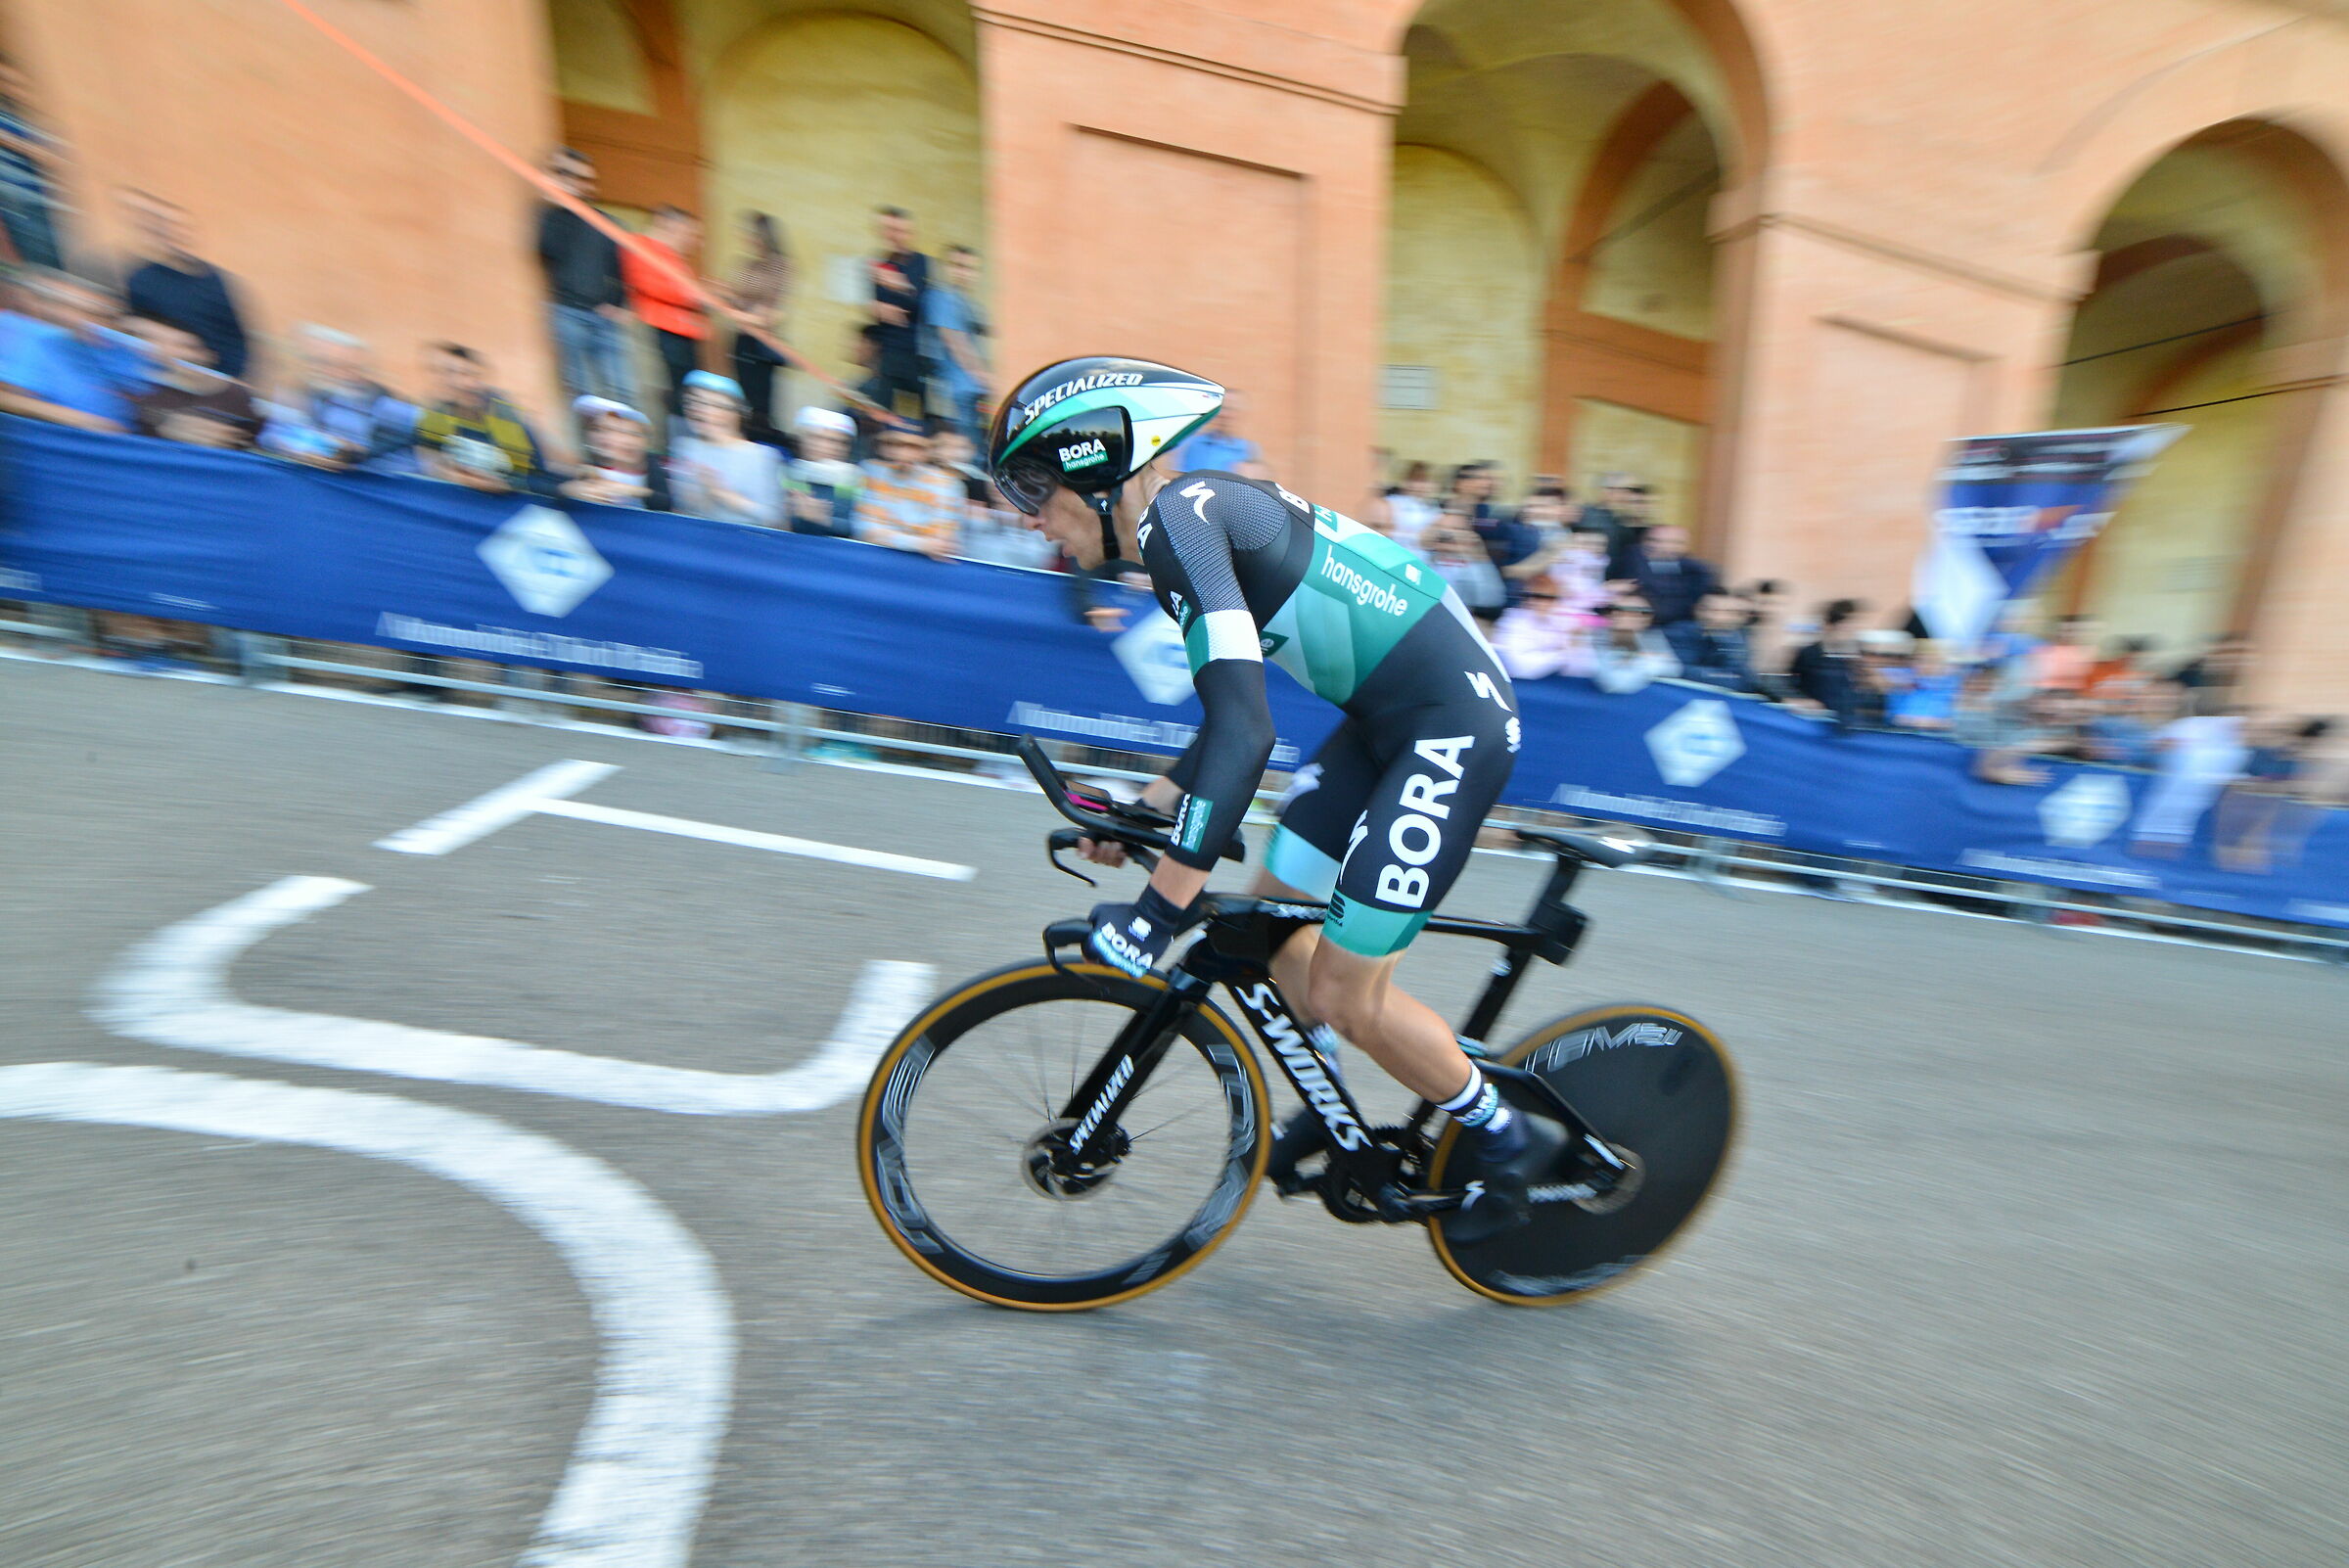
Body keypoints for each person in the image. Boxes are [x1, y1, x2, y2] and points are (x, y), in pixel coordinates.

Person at [990, 355, 1557, 1242]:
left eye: (1040, 496)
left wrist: (1153, 914)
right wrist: (1148, 805)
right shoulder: (1188, 520)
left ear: (1097, 479)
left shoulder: (1183, 525)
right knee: (1274, 921)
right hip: (1383, 724)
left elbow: (1247, 737)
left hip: (1452, 728)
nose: (1038, 526)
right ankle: (1327, 1106)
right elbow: (1232, 712)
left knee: (1343, 991)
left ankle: (1505, 1136)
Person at [536, 148, 635, 409]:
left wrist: (619, 304)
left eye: (584, 178)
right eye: (568, 175)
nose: (578, 183)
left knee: (622, 391)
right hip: (566, 314)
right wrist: (558, 203)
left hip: (604, 318)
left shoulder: (607, 222)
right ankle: (588, 450)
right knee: (581, 394)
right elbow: (547, 249)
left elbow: (624, 268)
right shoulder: (550, 218)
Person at [120, 190, 249, 380]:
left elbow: (236, 336)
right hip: (169, 377)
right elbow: (133, 329)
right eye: (168, 229)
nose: (177, 235)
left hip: (220, 379)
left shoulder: (218, 280)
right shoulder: (141, 280)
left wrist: (231, 380)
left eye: (182, 228)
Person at [256, 324, 417, 474]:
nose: (323, 370)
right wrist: (297, 452)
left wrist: (358, 454)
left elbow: (426, 432)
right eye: (315, 362)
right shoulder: (297, 396)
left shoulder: (386, 403)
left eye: (343, 366)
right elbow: (273, 435)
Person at [0, 269, 147, 432]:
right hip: (67, 439)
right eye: (86, 311)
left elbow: (141, 384)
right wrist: (80, 420)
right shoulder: (24, 335)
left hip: (123, 436)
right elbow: (9, 397)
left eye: (105, 315)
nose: (99, 321)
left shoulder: (105, 345)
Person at [413, 343, 556, 496]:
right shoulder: (435, 414)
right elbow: (430, 464)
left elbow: (533, 475)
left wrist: (499, 484)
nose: (448, 381)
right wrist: (459, 477)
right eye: (439, 373)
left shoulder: (503, 414)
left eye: (463, 374)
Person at [622, 206, 708, 417]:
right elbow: (647, 284)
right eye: (689, 233)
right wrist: (694, 296)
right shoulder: (640, 245)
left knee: (685, 395)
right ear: (668, 224)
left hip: (682, 334)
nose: (693, 241)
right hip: (661, 330)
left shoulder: (672, 256)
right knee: (670, 395)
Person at [125, 315, 258, 445]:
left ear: (209, 355)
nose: (166, 351)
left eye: (184, 346)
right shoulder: (131, 385)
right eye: (147, 339)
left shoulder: (237, 397)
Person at [669, 371, 781, 526]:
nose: (695, 410)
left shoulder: (761, 456)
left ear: (732, 413)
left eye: (707, 404)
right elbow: (681, 508)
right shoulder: (685, 448)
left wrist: (721, 494)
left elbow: (774, 518)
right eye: (691, 402)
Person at [719, 211, 792, 439]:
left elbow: (771, 308)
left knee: (761, 403)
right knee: (742, 397)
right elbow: (739, 296)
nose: (747, 238)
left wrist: (739, 308)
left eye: (751, 233)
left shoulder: (779, 265)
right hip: (742, 338)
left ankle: (761, 443)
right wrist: (725, 294)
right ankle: (745, 437)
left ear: (763, 236)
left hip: (762, 341)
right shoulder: (749, 264)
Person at [855, 421, 961, 559]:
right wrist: (919, 543)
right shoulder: (871, 472)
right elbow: (865, 530)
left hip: (922, 566)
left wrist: (892, 537)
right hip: (874, 557)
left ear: (928, 450)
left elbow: (941, 544)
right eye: (895, 444)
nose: (903, 453)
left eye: (914, 447)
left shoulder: (948, 485)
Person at [0, 58, 66, 269]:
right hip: (18, 203)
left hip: (44, 202)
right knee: (40, 264)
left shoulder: (28, 118)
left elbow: (53, 157)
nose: (11, 87)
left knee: (53, 261)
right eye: (5, 81)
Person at [868, 206, 930, 422]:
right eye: (887, 229)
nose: (892, 235)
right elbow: (878, 311)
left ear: (908, 231)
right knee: (883, 415)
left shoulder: (921, 262)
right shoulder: (879, 264)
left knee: (926, 414)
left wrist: (897, 285)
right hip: (889, 353)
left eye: (897, 229)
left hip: (918, 354)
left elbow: (921, 305)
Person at [922, 244, 990, 435]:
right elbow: (953, 339)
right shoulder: (941, 297)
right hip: (954, 388)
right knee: (964, 442)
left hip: (971, 388)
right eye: (956, 265)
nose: (962, 273)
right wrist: (982, 375)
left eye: (968, 268)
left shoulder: (968, 303)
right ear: (945, 267)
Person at [560, 396, 670, 510]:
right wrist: (567, 490)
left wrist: (625, 489)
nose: (602, 437)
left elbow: (665, 503)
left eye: (612, 429)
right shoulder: (586, 469)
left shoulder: (650, 465)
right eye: (595, 429)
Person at [782, 405, 861, 536]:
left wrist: (822, 519)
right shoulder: (789, 472)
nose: (823, 446)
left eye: (832, 441)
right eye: (815, 437)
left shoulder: (853, 479)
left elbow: (856, 526)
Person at [1666, 589, 1759, 692]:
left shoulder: (1737, 637)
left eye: (1729, 612)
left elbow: (1742, 680)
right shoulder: (1679, 633)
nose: (1720, 618)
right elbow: (1679, 670)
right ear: (1698, 611)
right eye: (1714, 610)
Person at [1628, 524, 1718, 627]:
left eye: (1674, 542)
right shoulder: (1628, 561)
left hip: (1679, 628)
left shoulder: (1699, 572)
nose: (1664, 547)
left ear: (1685, 546)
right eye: (1654, 541)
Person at [1586, 595, 1681, 693]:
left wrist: (1635, 662)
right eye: (1612, 609)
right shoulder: (1592, 636)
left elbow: (1672, 670)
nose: (1616, 614)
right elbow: (1614, 683)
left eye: (1632, 611)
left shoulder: (1651, 638)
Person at [1168, 392, 1261, 475]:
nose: (1225, 414)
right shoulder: (1191, 444)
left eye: (1230, 409)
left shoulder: (1247, 450)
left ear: (1238, 413)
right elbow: (1177, 481)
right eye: (1222, 408)